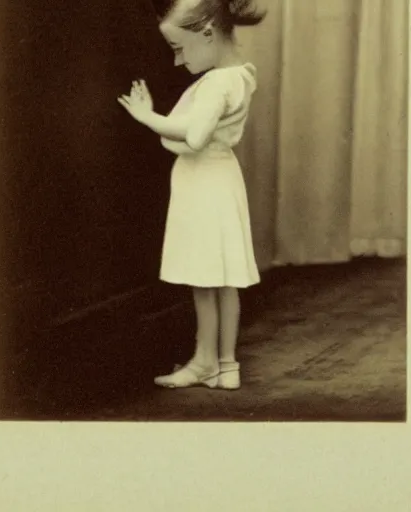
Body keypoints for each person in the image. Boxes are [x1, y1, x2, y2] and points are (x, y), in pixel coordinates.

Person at [118, 0, 265, 390]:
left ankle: (204, 362)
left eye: (179, 48)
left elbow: (196, 136)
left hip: (205, 181)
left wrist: (148, 117)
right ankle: (225, 366)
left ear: (207, 34)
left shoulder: (217, 83)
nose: (177, 61)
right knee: (225, 278)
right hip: (221, 178)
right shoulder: (239, 76)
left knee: (204, 278)